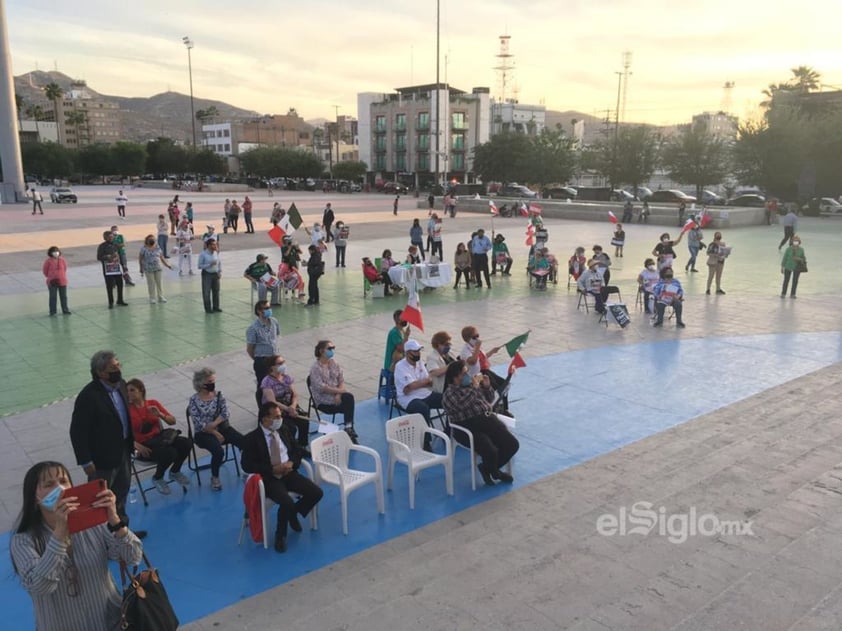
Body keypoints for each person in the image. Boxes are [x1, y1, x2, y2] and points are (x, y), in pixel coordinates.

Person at [10, 461, 143, 631]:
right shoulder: (23, 541)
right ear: (35, 498)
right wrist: (59, 534)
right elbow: (40, 586)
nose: (60, 489)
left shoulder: (94, 525)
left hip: (112, 622)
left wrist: (115, 521)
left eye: (64, 481)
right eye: (49, 484)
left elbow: (133, 556)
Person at [69, 351, 139, 533]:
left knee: (121, 493)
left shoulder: (122, 386)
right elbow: (77, 430)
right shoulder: (89, 396)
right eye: (113, 368)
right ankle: (102, 539)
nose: (118, 370)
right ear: (100, 373)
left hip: (123, 450)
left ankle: (122, 532)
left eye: (118, 366)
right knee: (100, 500)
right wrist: (85, 460)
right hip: (101, 459)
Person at [240, 402, 323, 553]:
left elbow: (297, 450)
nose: (280, 419)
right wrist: (272, 469)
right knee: (286, 502)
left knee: (316, 493)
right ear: (265, 419)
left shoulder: (284, 430)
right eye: (277, 417)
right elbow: (247, 465)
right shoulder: (252, 439)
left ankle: (293, 513)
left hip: (289, 473)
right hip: (270, 478)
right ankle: (280, 535)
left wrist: (292, 462)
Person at [442, 360, 519, 486]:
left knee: (512, 444)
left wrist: (487, 387)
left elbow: (489, 399)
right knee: (491, 450)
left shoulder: (471, 387)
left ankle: (487, 468)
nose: (468, 376)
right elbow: (463, 405)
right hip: (467, 426)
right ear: (455, 378)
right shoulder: (449, 394)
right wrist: (475, 388)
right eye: (464, 373)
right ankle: (495, 472)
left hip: (486, 420)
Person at [126, 378, 191, 495]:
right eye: (127, 391)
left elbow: (172, 421)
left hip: (160, 439)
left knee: (186, 443)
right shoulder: (126, 410)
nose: (129, 393)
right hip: (144, 445)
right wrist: (134, 444)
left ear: (141, 390)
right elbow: (119, 433)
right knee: (170, 452)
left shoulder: (153, 403)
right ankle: (158, 477)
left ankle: (175, 471)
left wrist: (160, 415)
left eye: (132, 390)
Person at [188, 368, 245, 491]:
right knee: (218, 452)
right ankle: (215, 477)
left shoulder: (219, 395)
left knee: (244, 441)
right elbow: (198, 422)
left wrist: (214, 424)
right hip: (203, 433)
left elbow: (226, 412)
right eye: (209, 381)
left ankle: (246, 467)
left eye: (213, 381)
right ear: (200, 383)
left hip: (221, 427)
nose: (212, 384)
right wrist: (214, 432)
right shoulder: (194, 400)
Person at [309, 340, 359, 442]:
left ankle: (348, 427)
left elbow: (341, 380)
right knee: (348, 403)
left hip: (336, 395)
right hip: (323, 399)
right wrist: (340, 392)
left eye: (333, 348)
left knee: (348, 397)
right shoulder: (315, 368)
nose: (332, 351)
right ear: (322, 351)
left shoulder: (334, 363)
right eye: (329, 348)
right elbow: (322, 388)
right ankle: (349, 428)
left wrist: (338, 394)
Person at [260, 355, 310, 453]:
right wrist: (288, 409)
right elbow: (272, 401)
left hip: (290, 407)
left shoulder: (287, 378)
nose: (283, 365)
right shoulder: (267, 382)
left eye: (283, 362)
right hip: (277, 411)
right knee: (290, 427)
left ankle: (302, 445)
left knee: (304, 421)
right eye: (280, 363)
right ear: (272, 367)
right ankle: (290, 448)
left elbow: (294, 394)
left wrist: (293, 406)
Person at [393, 340, 443, 432]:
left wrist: (419, 383)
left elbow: (429, 381)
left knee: (447, 399)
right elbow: (408, 389)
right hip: (408, 399)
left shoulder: (420, 362)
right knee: (423, 409)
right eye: (415, 351)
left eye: (419, 351)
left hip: (424, 393)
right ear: (408, 353)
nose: (418, 354)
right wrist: (423, 382)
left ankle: (449, 430)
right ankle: (425, 441)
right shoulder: (400, 366)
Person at [246, 299, 281, 408]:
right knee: (263, 386)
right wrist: (258, 359)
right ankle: (263, 408)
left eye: (269, 308)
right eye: (266, 308)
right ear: (259, 311)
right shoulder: (253, 328)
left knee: (275, 383)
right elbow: (250, 348)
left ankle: (275, 406)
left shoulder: (274, 322)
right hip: (262, 360)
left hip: (274, 359)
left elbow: (277, 335)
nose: (269, 310)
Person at [459, 325, 506, 393]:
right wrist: (477, 347)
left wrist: (492, 351)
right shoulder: (465, 351)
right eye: (474, 337)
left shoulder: (476, 346)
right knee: (495, 389)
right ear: (468, 339)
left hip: (486, 371)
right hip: (477, 375)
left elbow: (483, 357)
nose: (477, 338)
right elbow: (473, 361)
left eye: (478, 335)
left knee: (503, 384)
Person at [96, 231, 127, 309]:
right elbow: (99, 257)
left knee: (120, 283)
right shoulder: (102, 246)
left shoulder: (116, 245)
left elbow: (120, 255)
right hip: (108, 269)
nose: (111, 238)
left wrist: (123, 265)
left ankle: (120, 299)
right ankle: (111, 302)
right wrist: (108, 257)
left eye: (112, 237)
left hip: (116, 267)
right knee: (109, 286)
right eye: (109, 237)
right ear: (105, 237)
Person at [138, 234, 172, 304]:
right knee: (151, 283)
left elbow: (162, 258)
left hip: (158, 268)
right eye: (150, 239)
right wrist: (141, 268)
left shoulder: (157, 248)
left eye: (153, 239)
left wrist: (167, 265)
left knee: (159, 283)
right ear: (147, 240)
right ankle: (152, 298)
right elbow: (140, 258)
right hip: (148, 269)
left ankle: (160, 296)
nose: (152, 240)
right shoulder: (143, 248)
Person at [42, 246, 71, 316]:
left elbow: (65, 269)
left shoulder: (62, 260)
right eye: (54, 252)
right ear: (51, 253)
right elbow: (45, 271)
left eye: (57, 251)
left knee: (63, 296)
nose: (56, 253)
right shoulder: (48, 261)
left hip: (62, 281)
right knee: (53, 297)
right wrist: (51, 277)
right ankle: (53, 311)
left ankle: (65, 310)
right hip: (52, 282)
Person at [197, 238, 222, 313]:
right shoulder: (203, 254)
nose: (215, 246)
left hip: (215, 273)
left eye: (215, 244)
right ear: (209, 246)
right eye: (213, 244)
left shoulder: (216, 253)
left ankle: (216, 307)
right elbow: (199, 266)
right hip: (207, 274)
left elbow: (219, 262)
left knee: (216, 291)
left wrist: (219, 271)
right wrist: (209, 265)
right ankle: (208, 308)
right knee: (206, 292)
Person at [780, 235, 807, 299]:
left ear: (799, 242)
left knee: (795, 281)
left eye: (797, 241)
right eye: (794, 240)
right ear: (792, 241)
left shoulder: (801, 250)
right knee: (786, 280)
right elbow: (785, 258)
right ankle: (783, 293)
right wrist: (782, 267)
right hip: (788, 266)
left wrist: (799, 259)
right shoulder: (788, 249)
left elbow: (804, 259)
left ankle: (793, 294)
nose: (796, 242)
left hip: (797, 267)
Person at [705, 231, 730, 295]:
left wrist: (726, 254)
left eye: (720, 235)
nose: (719, 236)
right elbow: (708, 253)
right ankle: (708, 289)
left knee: (719, 276)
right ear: (715, 236)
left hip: (721, 261)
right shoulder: (712, 244)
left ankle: (718, 289)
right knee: (711, 276)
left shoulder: (723, 244)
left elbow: (725, 253)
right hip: (713, 262)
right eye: (718, 235)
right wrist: (716, 255)